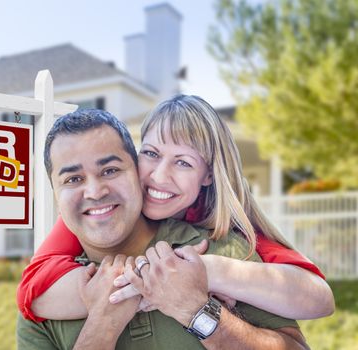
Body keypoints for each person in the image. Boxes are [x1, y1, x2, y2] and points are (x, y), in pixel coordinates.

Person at [17, 95, 334, 323]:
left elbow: (318, 297)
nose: (158, 175)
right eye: (152, 154)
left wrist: (208, 271)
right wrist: (154, 282)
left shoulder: (228, 229)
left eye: (183, 162)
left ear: (209, 174)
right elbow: (33, 289)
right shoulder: (109, 208)